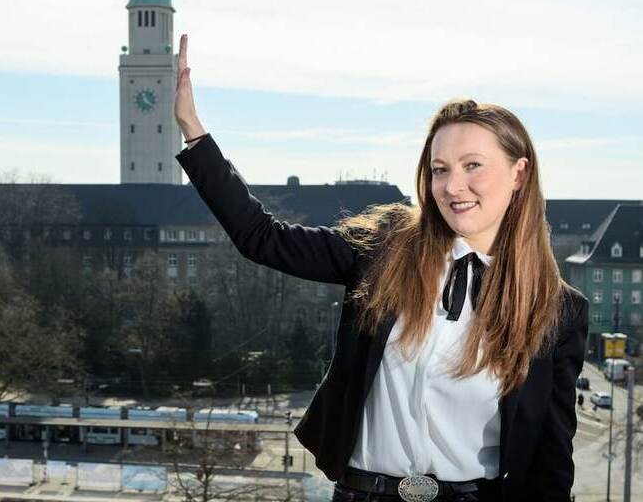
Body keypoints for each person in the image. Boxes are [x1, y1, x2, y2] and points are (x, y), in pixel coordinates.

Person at [172, 34, 589, 502]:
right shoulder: (386, 251)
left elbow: (551, 462)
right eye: (440, 169)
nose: (453, 186)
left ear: (519, 174)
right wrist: (194, 131)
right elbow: (263, 238)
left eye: (473, 165)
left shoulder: (557, 311)